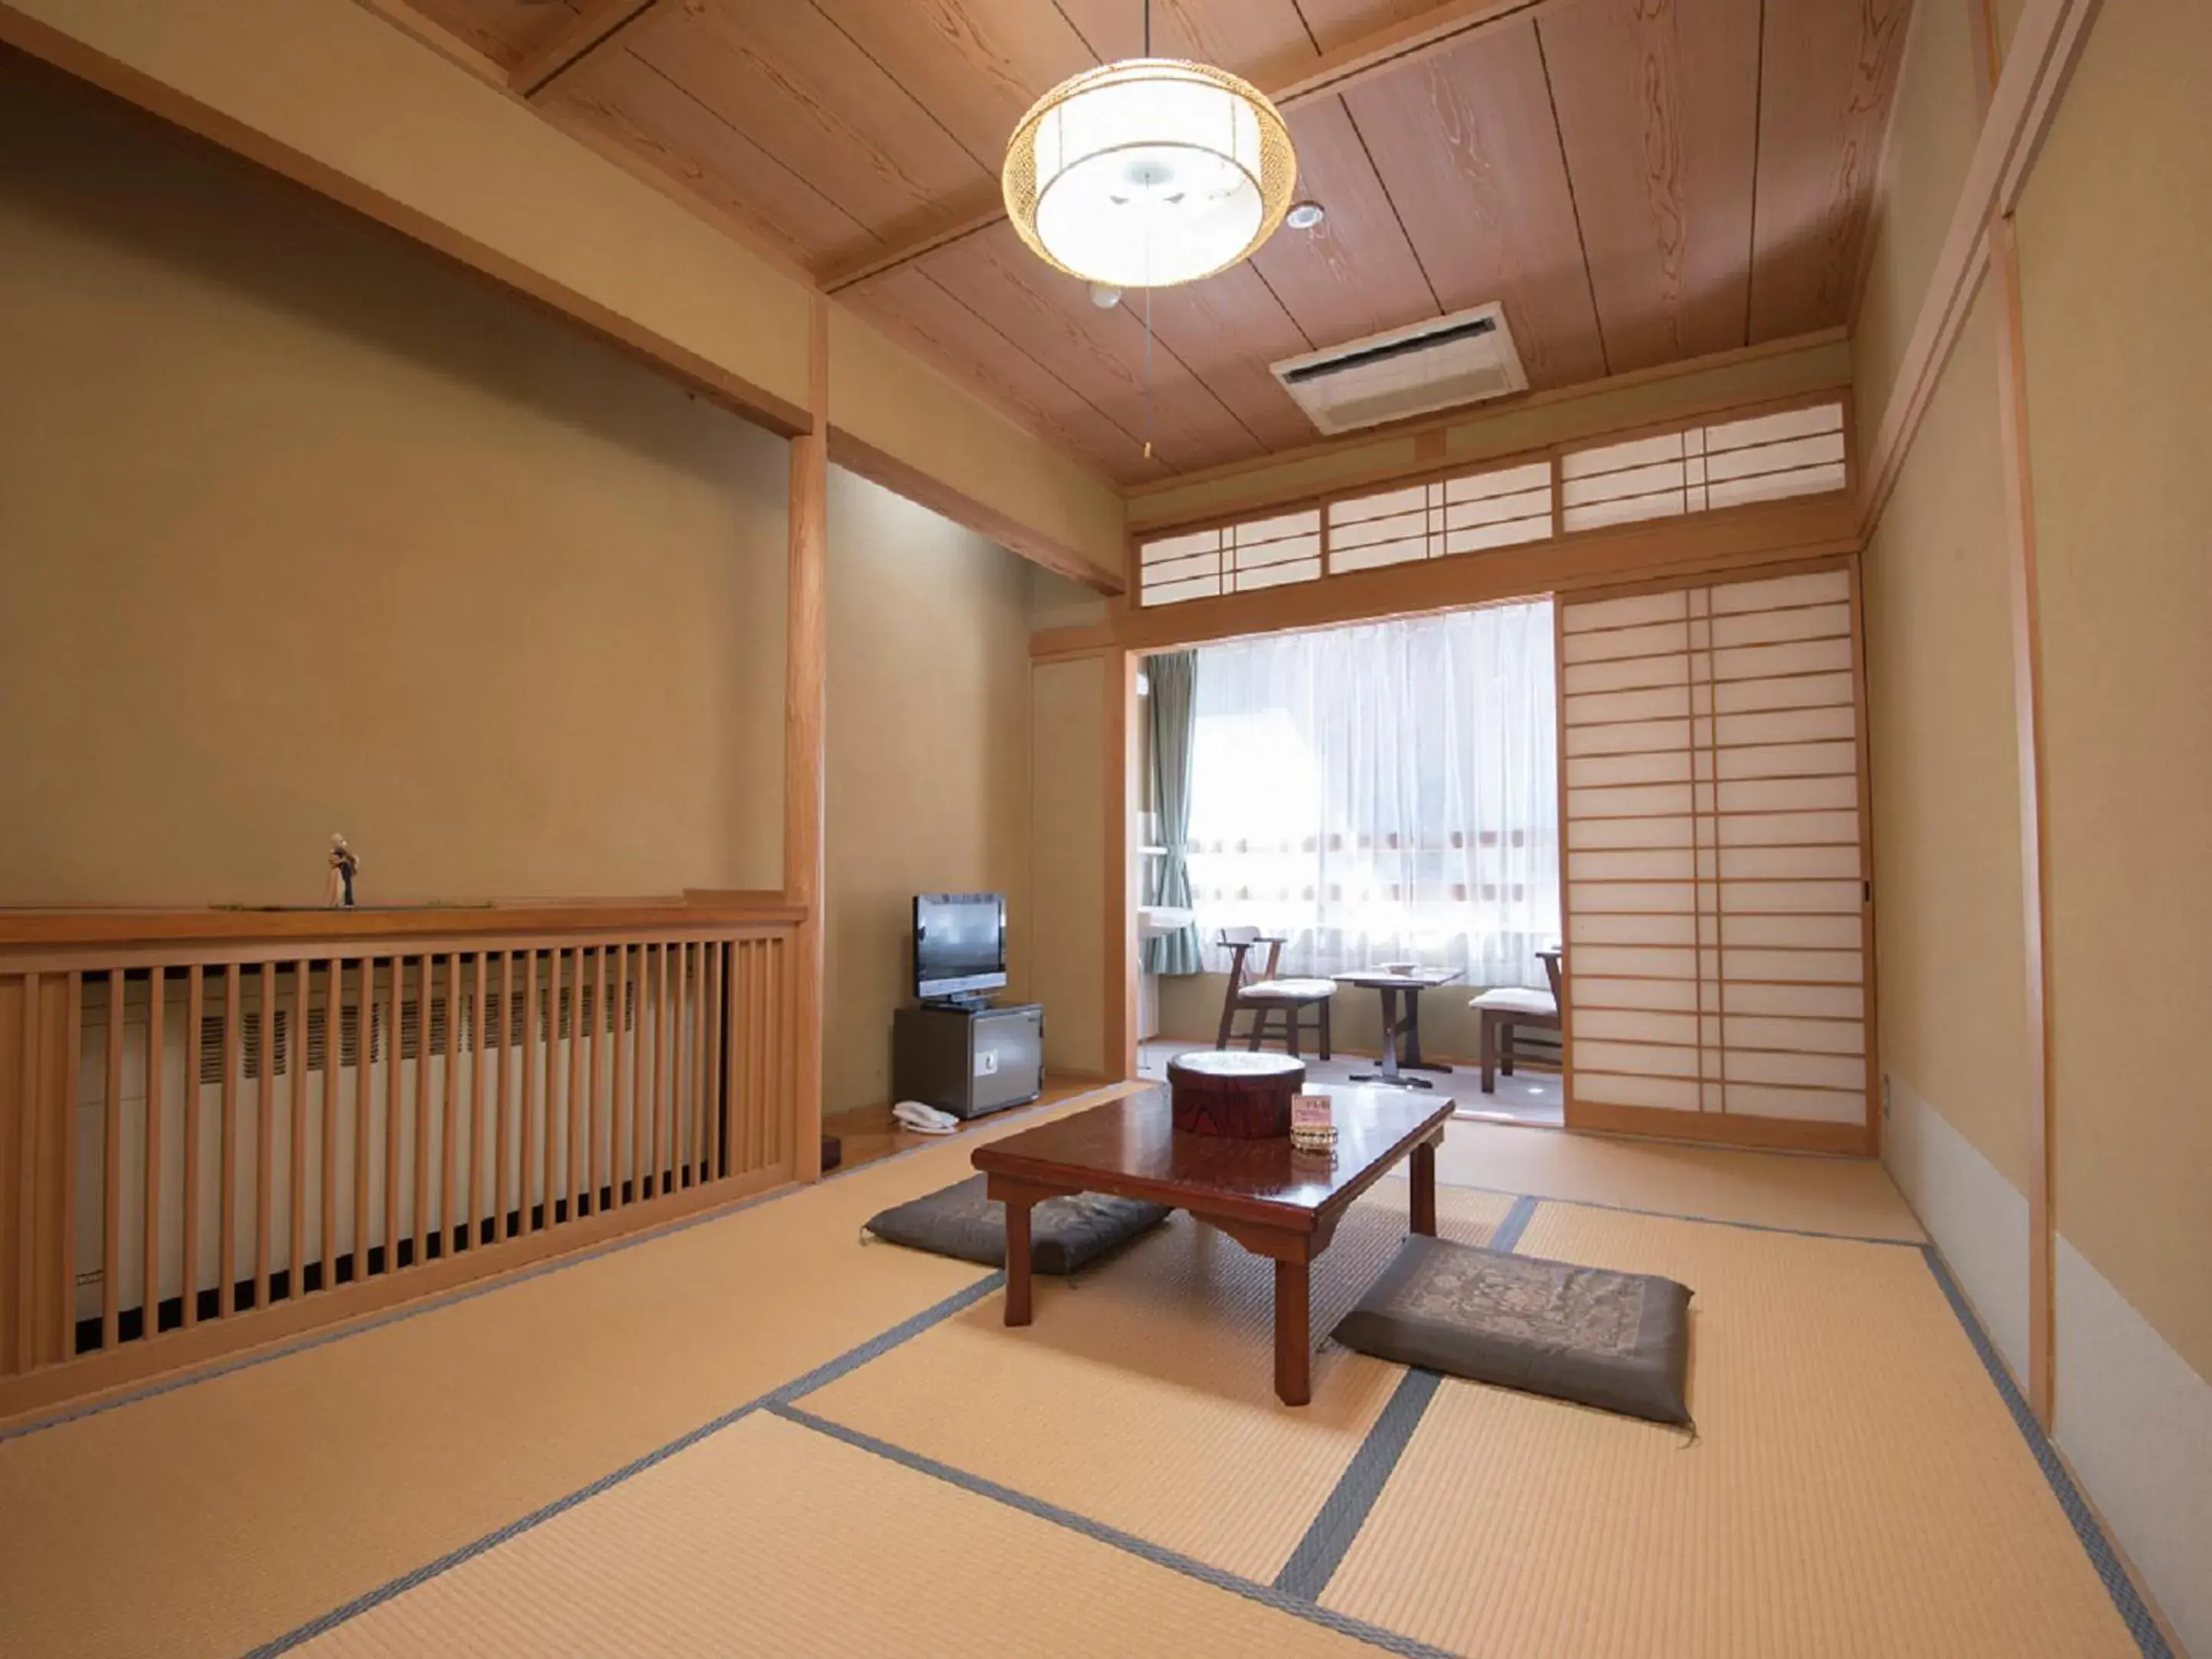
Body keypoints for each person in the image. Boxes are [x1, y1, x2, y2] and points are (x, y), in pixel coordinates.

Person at [326, 834, 361, 907]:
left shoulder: (343, 853)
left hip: (342, 870)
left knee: (343, 886)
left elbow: (353, 858)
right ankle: (338, 901)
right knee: (337, 886)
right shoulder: (335, 852)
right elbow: (333, 860)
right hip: (338, 871)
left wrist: (353, 865)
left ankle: (346, 901)